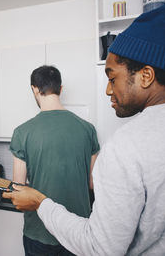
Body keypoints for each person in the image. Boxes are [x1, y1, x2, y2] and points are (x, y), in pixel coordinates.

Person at [3, 4, 165, 255]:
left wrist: (40, 203)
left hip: (44, 233)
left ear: (146, 76)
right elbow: (92, 184)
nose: (109, 90)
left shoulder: (126, 145)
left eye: (112, 78)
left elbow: (101, 248)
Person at [9, 65, 100, 255]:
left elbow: (18, 188)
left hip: (39, 231)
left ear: (35, 89)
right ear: (60, 88)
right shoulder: (88, 129)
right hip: (78, 231)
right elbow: (93, 184)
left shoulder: (22, 132)